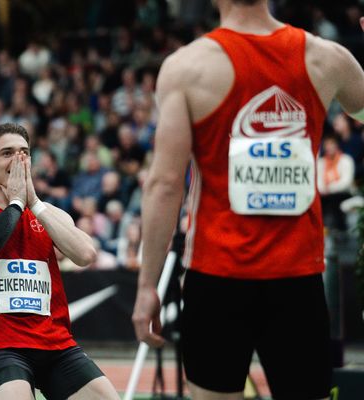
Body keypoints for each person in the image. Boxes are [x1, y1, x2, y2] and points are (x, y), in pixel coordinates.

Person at [132, 1, 364, 400]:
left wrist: (147, 284)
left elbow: (166, 183)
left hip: (217, 277)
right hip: (297, 280)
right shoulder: (326, 58)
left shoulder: (187, 67)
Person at [0, 123, 118, 400]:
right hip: (2, 347)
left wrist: (34, 202)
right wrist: (15, 202)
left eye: (24, 152)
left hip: (56, 343)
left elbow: (86, 255)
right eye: (8, 153)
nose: (18, 159)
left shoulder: (48, 213)